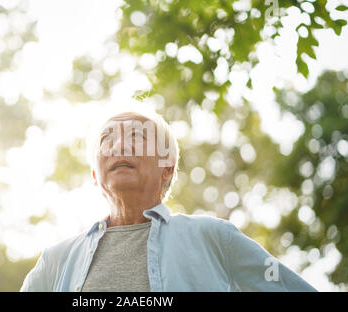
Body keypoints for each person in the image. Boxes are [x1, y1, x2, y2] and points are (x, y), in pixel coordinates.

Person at [20, 102, 317, 292]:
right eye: (107, 139)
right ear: (95, 176)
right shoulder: (55, 262)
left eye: (136, 136)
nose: (120, 145)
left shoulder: (215, 239)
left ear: (166, 167)